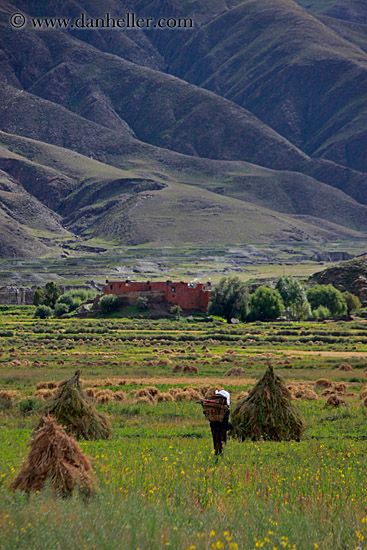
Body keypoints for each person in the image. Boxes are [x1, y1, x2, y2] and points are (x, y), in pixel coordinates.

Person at [209, 390, 232, 455]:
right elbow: (226, 420)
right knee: (222, 440)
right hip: (222, 427)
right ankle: (220, 453)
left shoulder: (213, 409)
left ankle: (216, 452)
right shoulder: (225, 410)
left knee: (215, 440)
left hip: (214, 426)